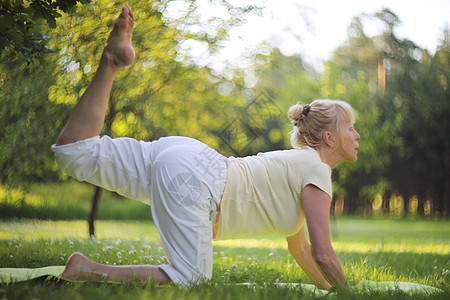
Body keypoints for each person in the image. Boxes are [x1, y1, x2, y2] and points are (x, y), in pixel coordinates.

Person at [52, 6, 359, 290]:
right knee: (191, 278)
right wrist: (352, 296)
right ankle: (86, 270)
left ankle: (111, 60)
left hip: (192, 160)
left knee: (75, 153)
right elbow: (323, 253)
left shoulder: (300, 165)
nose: (357, 135)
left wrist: (331, 291)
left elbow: (302, 249)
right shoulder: (316, 169)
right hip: (199, 182)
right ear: (330, 139)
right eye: (350, 128)